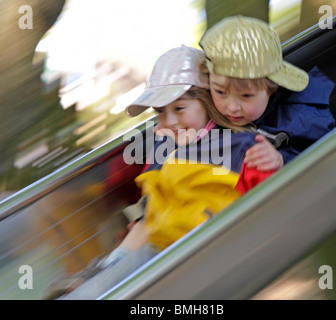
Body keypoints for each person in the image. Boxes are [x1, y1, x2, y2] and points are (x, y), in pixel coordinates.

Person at [56, 45, 274, 299]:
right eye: (160, 112)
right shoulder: (164, 148)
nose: (169, 121)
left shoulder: (242, 148)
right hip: (158, 256)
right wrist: (110, 266)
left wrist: (275, 160)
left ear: (207, 100)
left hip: (206, 261)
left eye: (179, 108)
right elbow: (150, 219)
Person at [199, 15, 336, 172]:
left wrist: (281, 159)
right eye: (221, 92)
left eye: (246, 96)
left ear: (273, 87)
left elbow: (326, 161)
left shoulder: (304, 119)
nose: (232, 107)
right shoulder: (205, 105)